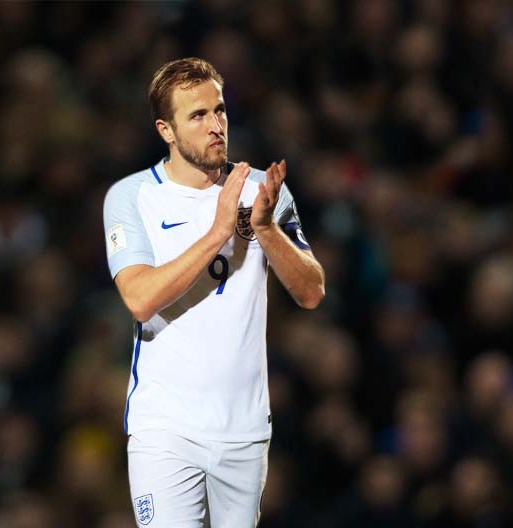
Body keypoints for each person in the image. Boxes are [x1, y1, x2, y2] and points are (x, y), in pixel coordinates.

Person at [102, 57, 325, 527]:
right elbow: (140, 299)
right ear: (166, 130)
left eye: (219, 110)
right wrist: (219, 232)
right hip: (165, 428)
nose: (216, 125)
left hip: (244, 428)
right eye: (198, 115)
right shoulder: (132, 196)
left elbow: (311, 291)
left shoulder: (264, 190)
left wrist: (265, 228)